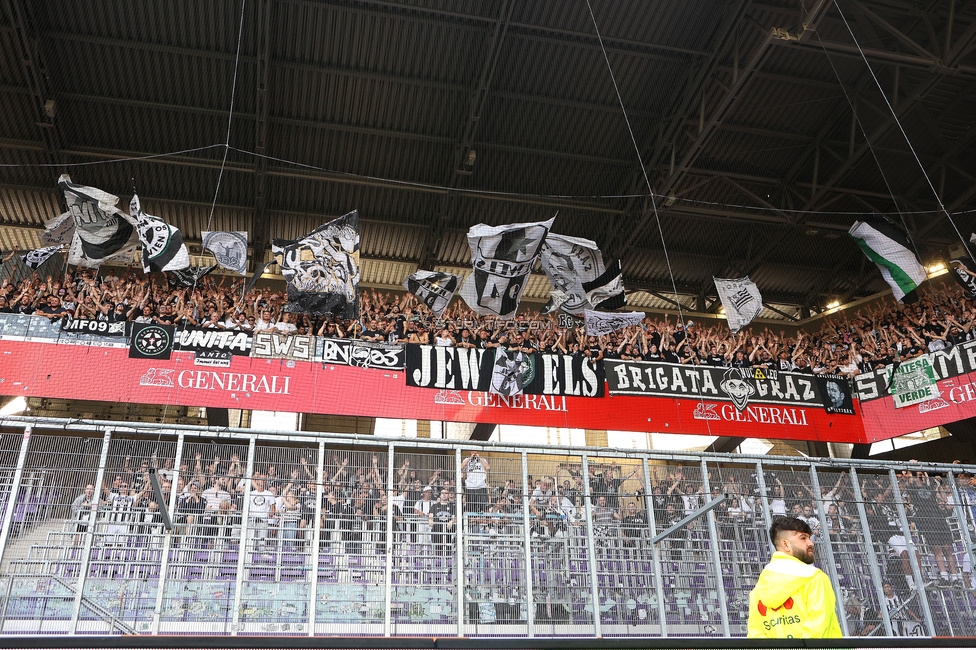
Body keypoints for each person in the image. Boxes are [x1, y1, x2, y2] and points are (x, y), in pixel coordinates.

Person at [747, 516, 842, 638]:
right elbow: (818, 631)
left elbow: (756, 637)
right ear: (785, 544)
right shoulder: (814, 578)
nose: (811, 543)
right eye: (803, 538)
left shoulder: (758, 591)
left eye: (809, 538)